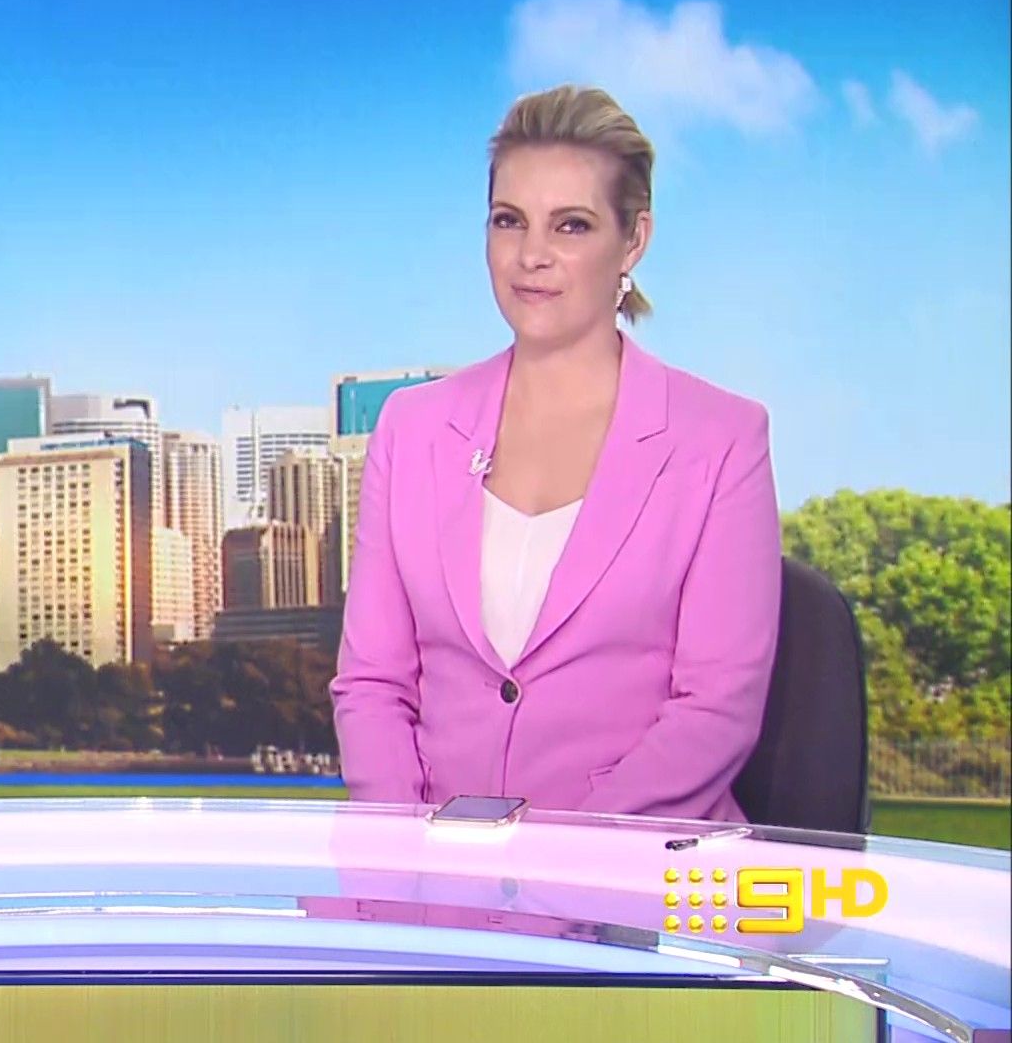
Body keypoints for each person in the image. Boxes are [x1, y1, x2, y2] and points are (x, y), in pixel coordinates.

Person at [329, 85, 780, 822]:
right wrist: (407, 851)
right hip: (429, 869)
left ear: (633, 240)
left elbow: (715, 710)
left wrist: (564, 862)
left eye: (571, 225)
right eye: (509, 221)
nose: (531, 256)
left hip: (636, 870)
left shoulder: (721, 440)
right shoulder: (411, 430)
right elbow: (373, 685)